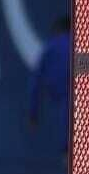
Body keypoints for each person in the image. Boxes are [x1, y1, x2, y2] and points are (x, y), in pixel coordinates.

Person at [28, 14, 72, 150]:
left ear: (57, 30)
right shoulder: (83, 46)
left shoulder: (51, 48)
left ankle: (67, 155)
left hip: (63, 97)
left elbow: (36, 83)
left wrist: (33, 113)